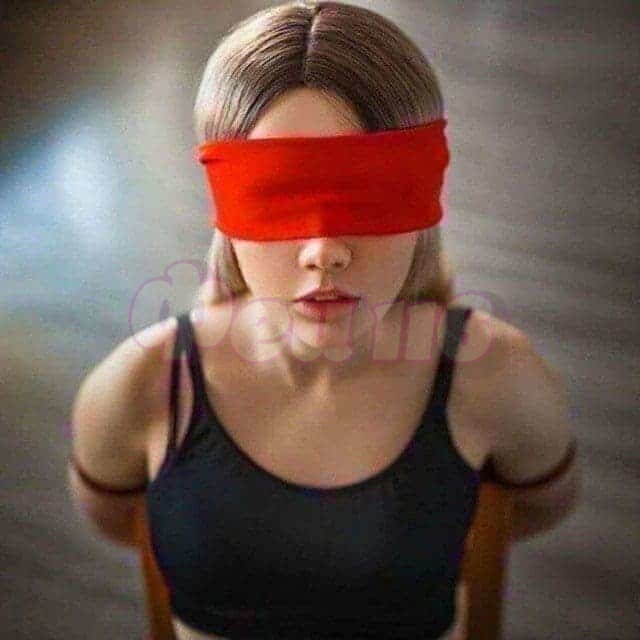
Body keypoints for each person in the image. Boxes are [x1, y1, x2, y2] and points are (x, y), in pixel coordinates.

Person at [67, 2, 582, 639]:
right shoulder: (137, 388)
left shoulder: (502, 378)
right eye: (278, 196)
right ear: (225, 207)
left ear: (425, 197)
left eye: (368, 195)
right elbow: (125, 524)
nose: (324, 250)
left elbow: (528, 513)